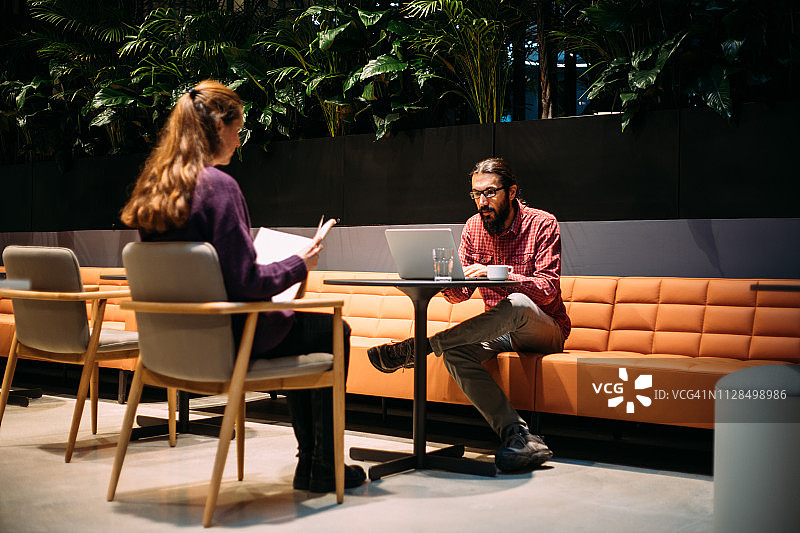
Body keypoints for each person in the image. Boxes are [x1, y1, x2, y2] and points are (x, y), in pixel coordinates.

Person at [120, 79, 365, 492]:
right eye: (238, 128)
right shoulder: (217, 187)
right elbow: (247, 283)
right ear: (218, 125)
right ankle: (320, 465)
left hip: (171, 347)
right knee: (332, 331)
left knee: (313, 332)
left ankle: (314, 464)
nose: (239, 139)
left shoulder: (155, 188)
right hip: (229, 338)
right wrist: (298, 263)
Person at [367, 157, 570, 472]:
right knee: (454, 353)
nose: (482, 202)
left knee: (516, 302)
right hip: (499, 330)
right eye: (476, 194)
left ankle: (420, 347)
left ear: (512, 191)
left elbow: (547, 290)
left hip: (544, 327)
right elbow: (461, 295)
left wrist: (494, 274)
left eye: (490, 193)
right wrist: (443, 280)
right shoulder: (474, 227)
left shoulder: (542, 223)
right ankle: (519, 435)